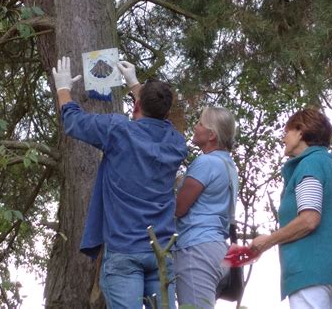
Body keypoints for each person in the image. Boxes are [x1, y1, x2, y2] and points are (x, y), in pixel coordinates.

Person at [52, 57, 188, 309]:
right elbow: (162, 120)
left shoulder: (118, 130)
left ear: (136, 107)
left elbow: (74, 122)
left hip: (124, 251)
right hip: (161, 251)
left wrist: (62, 88)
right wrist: (137, 86)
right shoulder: (176, 144)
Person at [249, 108, 332, 309]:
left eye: (287, 131)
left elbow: (309, 219)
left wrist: (267, 242)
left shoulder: (310, 164)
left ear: (300, 131)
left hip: (311, 270)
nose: (283, 138)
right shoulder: (329, 164)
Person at [173, 106, 238, 308]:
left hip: (196, 249)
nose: (195, 126)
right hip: (217, 248)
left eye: (200, 123)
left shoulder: (206, 163)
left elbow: (179, 208)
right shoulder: (227, 164)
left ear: (211, 135)